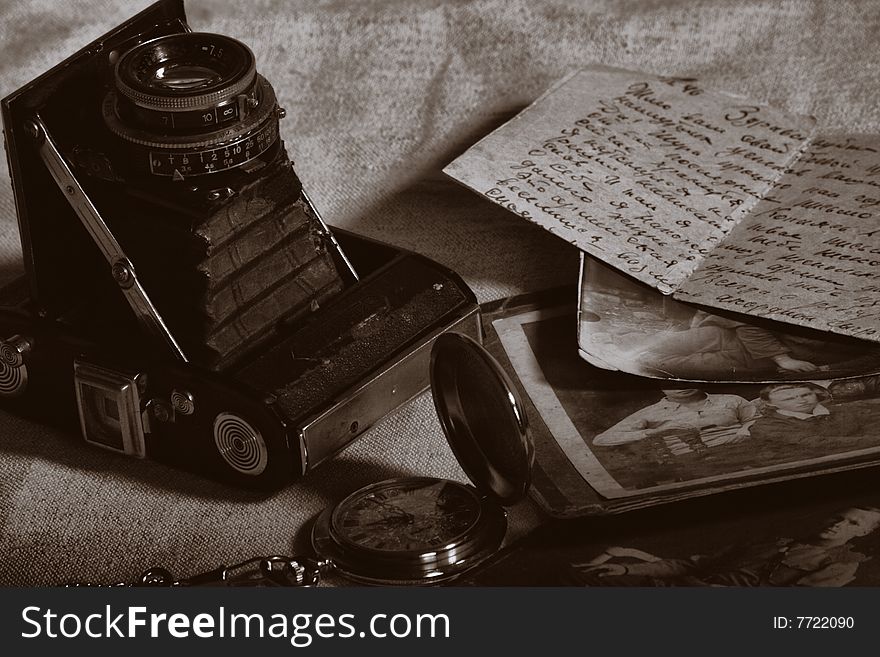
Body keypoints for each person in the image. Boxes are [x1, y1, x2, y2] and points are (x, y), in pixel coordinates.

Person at [570, 506, 880, 587]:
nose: (838, 524)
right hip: (674, 584)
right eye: (838, 516)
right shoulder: (775, 541)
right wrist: (627, 567)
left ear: (863, 532)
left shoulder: (841, 564)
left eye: (853, 523)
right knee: (580, 577)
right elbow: (694, 563)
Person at [635, 311, 869, 379]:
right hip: (725, 335)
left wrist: (827, 370)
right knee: (642, 348)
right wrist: (783, 358)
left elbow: (872, 360)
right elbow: (747, 319)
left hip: (751, 362)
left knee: (651, 366)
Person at [593, 388, 757, 455]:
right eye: (671, 382)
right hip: (691, 462)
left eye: (685, 379)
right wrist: (654, 432)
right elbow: (601, 439)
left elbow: (756, 420)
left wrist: (746, 430)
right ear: (660, 385)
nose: (680, 386)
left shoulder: (731, 399)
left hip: (742, 451)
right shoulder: (651, 412)